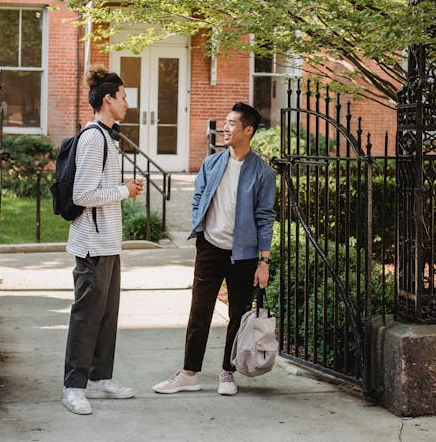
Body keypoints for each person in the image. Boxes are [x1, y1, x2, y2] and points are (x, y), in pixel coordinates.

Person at [152, 101, 276, 396]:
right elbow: (198, 199)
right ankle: (189, 373)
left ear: (248, 130)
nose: (226, 127)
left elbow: (265, 217)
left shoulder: (262, 173)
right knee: (199, 312)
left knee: (238, 312)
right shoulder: (212, 163)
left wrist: (264, 262)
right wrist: (200, 226)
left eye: (232, 123)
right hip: (209, 248)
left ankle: (227, 373)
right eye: (226, 121)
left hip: (243, 255)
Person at [62, 66, 143, 415]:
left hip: (108, 242)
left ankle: (98, 379)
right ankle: (74, 386)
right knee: (86, 316)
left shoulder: (108, 137)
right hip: (92, 244)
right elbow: (82, 194)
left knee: (107, 316)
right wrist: (125, 191)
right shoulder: (94, 138)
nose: (127, 103)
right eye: (123, 97)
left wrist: (122, 191)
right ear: (108, 99)